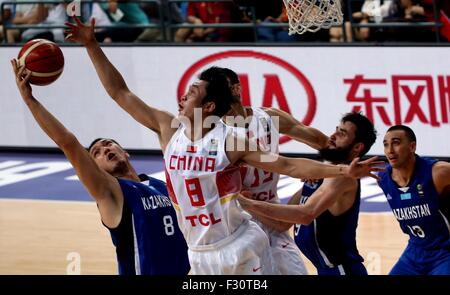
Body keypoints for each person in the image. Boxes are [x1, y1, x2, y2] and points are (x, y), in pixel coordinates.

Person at [64, 16, 383, 275]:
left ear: (215, 102)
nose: (182, 97)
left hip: (249, 233)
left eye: (191, 92)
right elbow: (120, 93)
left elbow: (290, 164)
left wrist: (342, 167)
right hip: (202, 251)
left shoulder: (235, 139)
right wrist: (92, 45)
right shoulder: (170, 128)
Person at [10, 60, 190, 275]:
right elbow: (67, 143)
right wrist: (30, 100)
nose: (105, 149)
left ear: (126, 152)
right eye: (96, 153)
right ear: (96, 169)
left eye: (108, 144)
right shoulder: (111, 194)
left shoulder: (164, 185)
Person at [220, 67, 330, 275]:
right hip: (239, 223)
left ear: (236, 89)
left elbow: (319, 140)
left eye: (220, 88)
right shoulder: (216, 134)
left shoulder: (268, 117)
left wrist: (329, 164)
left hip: (272, 211)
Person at [238, 112, 377, 275]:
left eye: (342, 133)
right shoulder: (320, 174)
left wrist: (246, 203)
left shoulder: (342, 180)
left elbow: (304, 215)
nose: (333, 135)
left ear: (357, 147)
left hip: (343, 270)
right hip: (326, 270)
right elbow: (282, 224)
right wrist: (248, 206)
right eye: (336, 129)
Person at [378, 125, 450, 275]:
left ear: (412, 146)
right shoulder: (382, 177)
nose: (390, 150)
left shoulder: (438, 172)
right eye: (386, 144)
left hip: (445, 251)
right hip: (415, 250)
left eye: (396, 143)